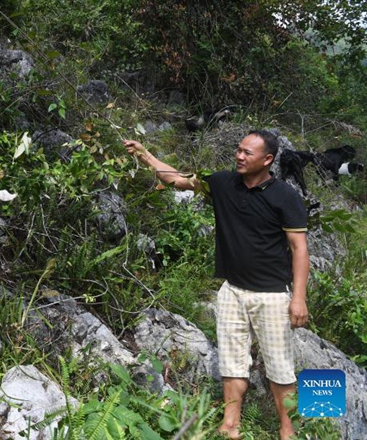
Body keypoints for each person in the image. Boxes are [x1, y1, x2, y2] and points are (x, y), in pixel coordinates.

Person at [123, 130, 309, 440]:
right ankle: (230, 426)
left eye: (247, 153)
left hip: (272, 296)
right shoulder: (222, 183)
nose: (239, 156)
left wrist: (298, 299)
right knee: (232, 363)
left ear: (267, 160)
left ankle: (288, 431)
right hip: (232, 291)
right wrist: (144, 154)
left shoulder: (285, 197)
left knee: (279, 368)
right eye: (238, 150)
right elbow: (178, 179)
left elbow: (299, 248)